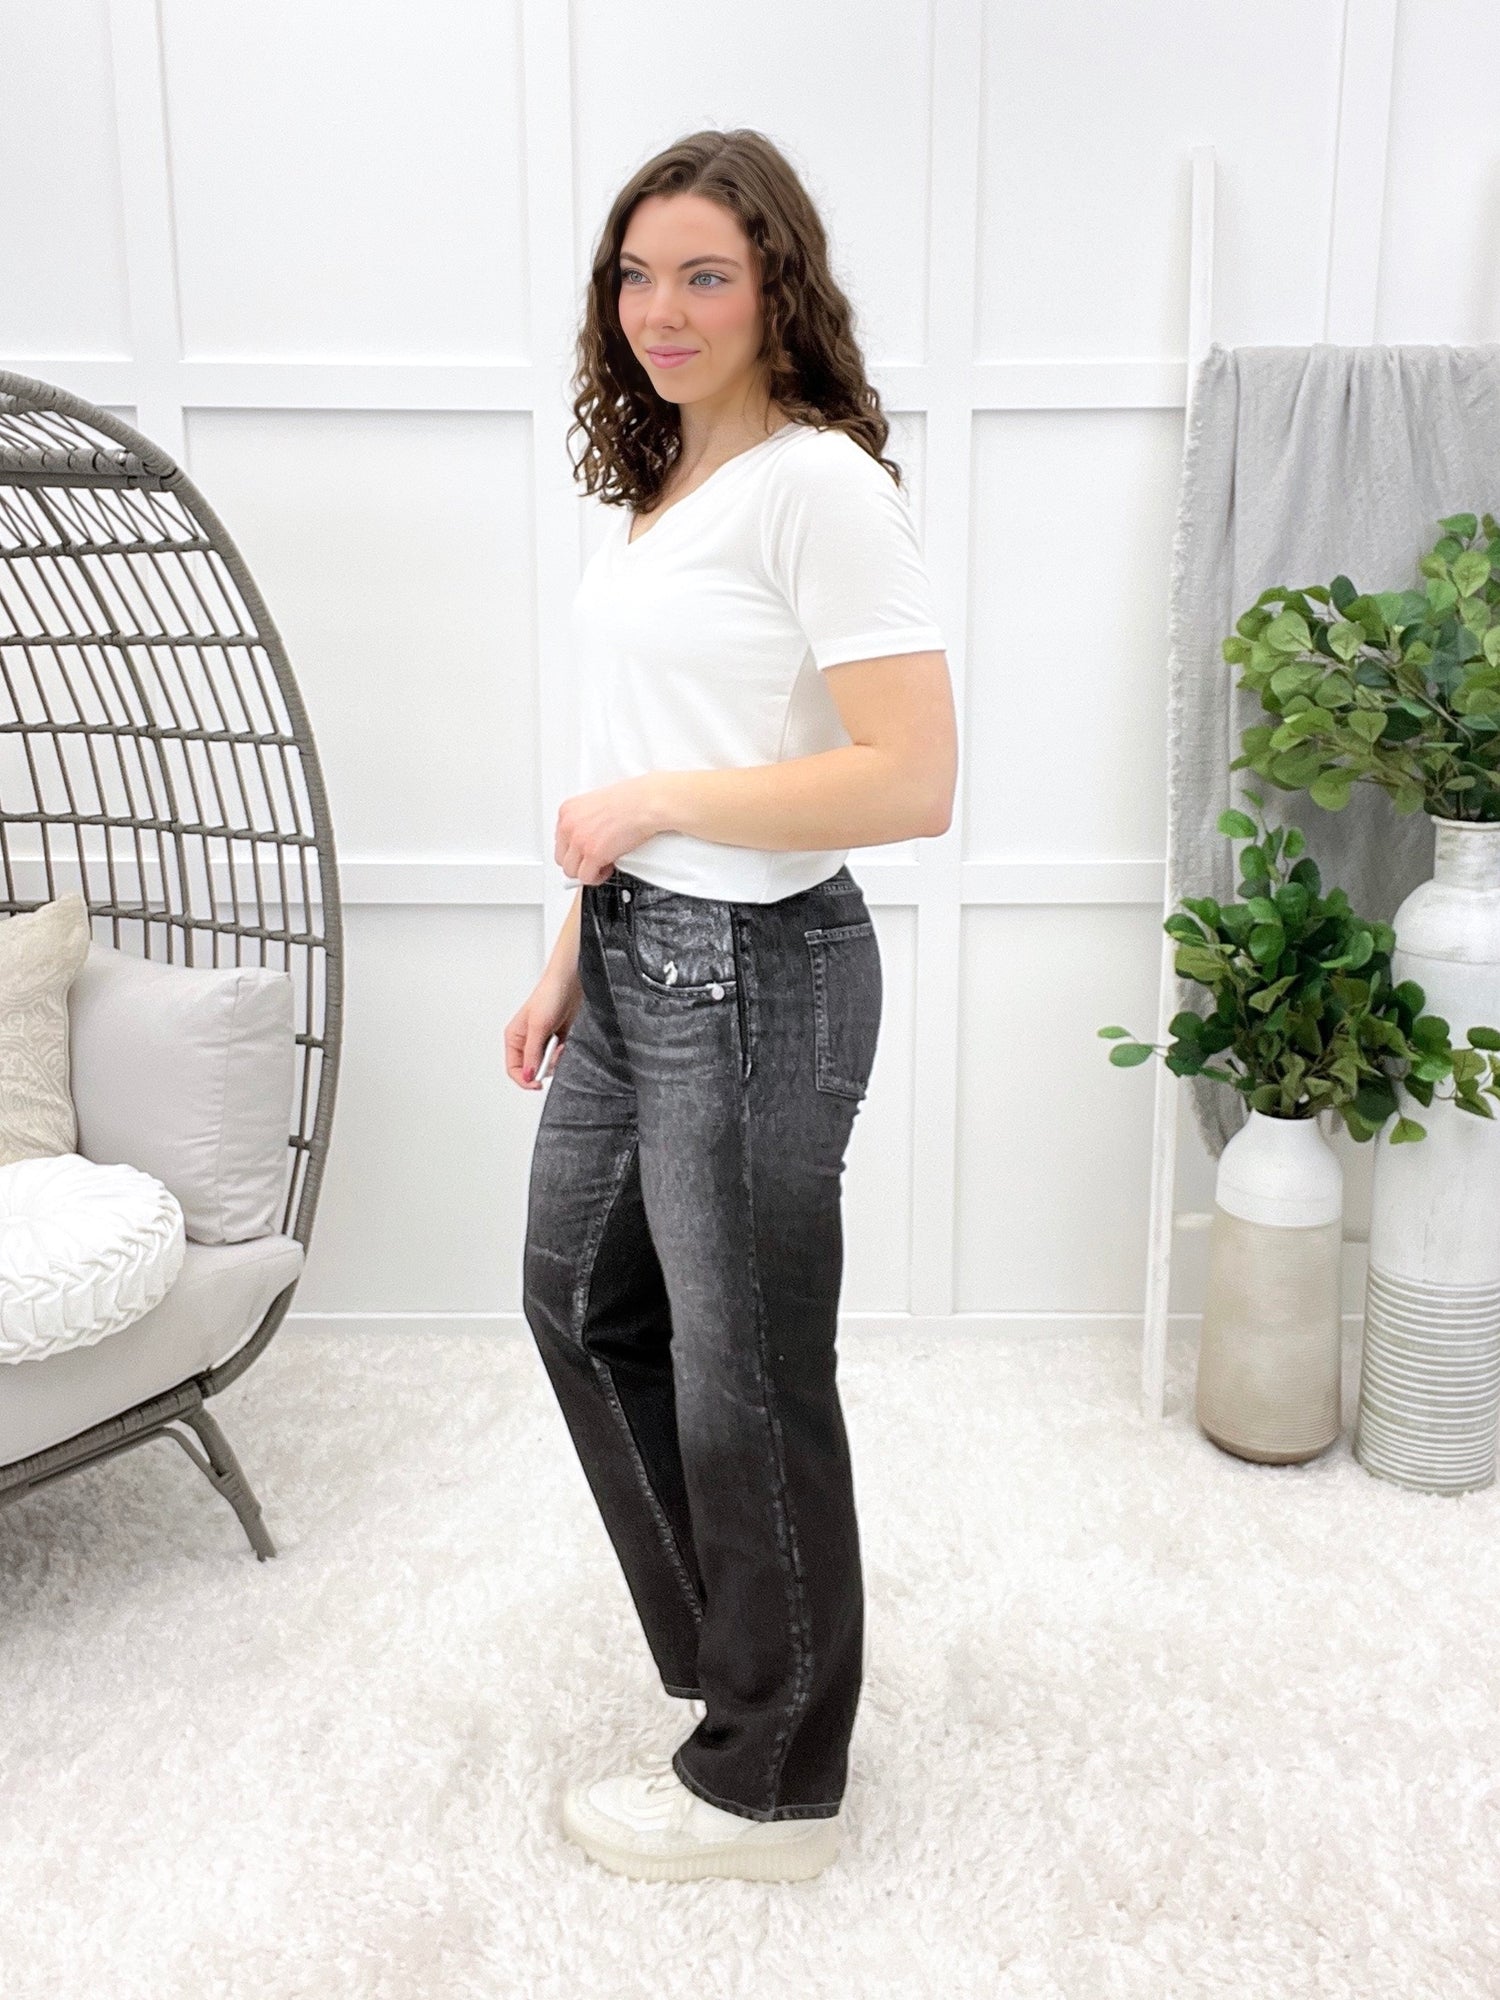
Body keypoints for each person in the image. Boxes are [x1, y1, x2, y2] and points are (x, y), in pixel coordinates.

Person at [509, 127, 957, 1883]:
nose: (663, 309)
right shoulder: (669, 477)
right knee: (577, 1302)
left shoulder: (818, 484)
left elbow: (912, 777)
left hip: (756, 974)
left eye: (706, 273)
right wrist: (574, 945)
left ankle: (767, 1785)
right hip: (634, 954)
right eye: (636, 275)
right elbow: (646, 740)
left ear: (779, 285)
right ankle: (754, 1668)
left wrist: (655, 811)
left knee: (747, 1377)